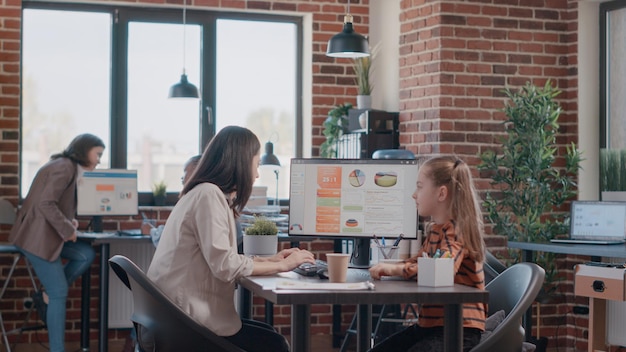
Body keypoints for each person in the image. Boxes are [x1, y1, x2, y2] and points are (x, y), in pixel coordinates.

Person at [147, 126, 315, 352]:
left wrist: (272, 260)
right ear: (241, 163)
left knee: (271, 337)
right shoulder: (208, 195)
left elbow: (221, 257)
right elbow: (225, 265)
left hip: (174, 318)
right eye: (256, 165)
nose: (256, 175)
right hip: (185, 323)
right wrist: (284, 265)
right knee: (275, 345)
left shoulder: (203, 193)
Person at [368, 155, 487, 352]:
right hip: (430, 327)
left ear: (441, 193)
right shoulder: (436, 231)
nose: (414, 194)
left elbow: (442, 270)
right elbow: (418, 261)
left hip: (458, 330)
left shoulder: (455, 232)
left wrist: (395, 270)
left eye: (420, 186)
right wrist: (392, 267)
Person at [9, 133, 104, 352]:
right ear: (84, 150)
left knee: (86, 254)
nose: (99, 160)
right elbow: (45, 204)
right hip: (35, 237)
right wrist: (66, 228)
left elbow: (51, 205)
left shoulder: (65, 166)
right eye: (97, 154)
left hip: (45, 233)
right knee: (59, 290)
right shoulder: (64, 168)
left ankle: (45, 295)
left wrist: (67, 221)